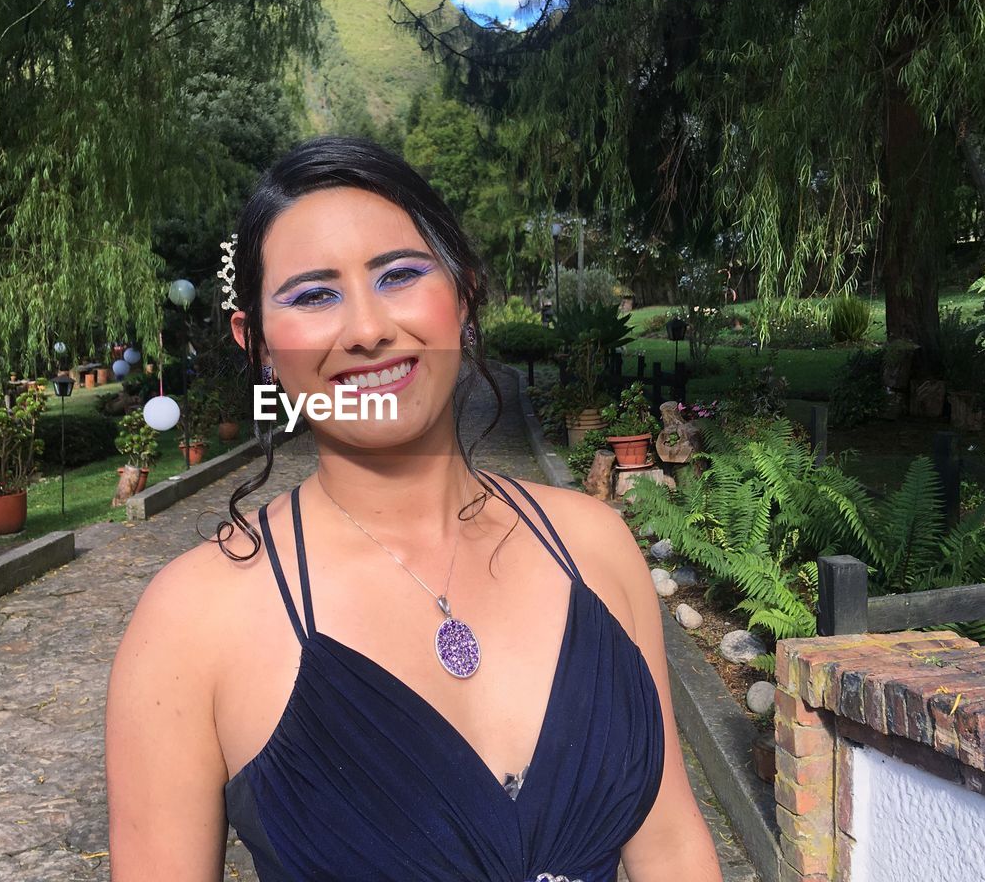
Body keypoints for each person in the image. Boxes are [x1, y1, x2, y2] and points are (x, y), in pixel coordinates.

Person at [105, 135, 723, 881]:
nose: (367, 329)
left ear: (461, 294)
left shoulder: (594, 548)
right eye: (313, 294)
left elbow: (672, 846)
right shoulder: (191, 622)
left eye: (399, 274)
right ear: (259, 344)